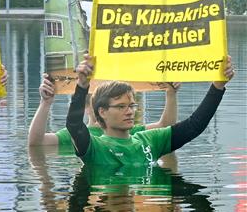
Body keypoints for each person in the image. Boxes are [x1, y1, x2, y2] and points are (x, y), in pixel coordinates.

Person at [65, 54, 234, 166]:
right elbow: (74, 124)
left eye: (131, 105)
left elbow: (194, 126)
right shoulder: (94, 147)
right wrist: (82, 86)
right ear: (102, 112)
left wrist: (217, 87)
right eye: (121, 106)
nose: (130, 111)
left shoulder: (149, 140)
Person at [28, 72, 180, 147]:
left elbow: (165, 128)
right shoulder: (73, 134)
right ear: (87, 107)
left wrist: (171, 94)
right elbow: (36, 142)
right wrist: (45, 103)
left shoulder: (126, 130)